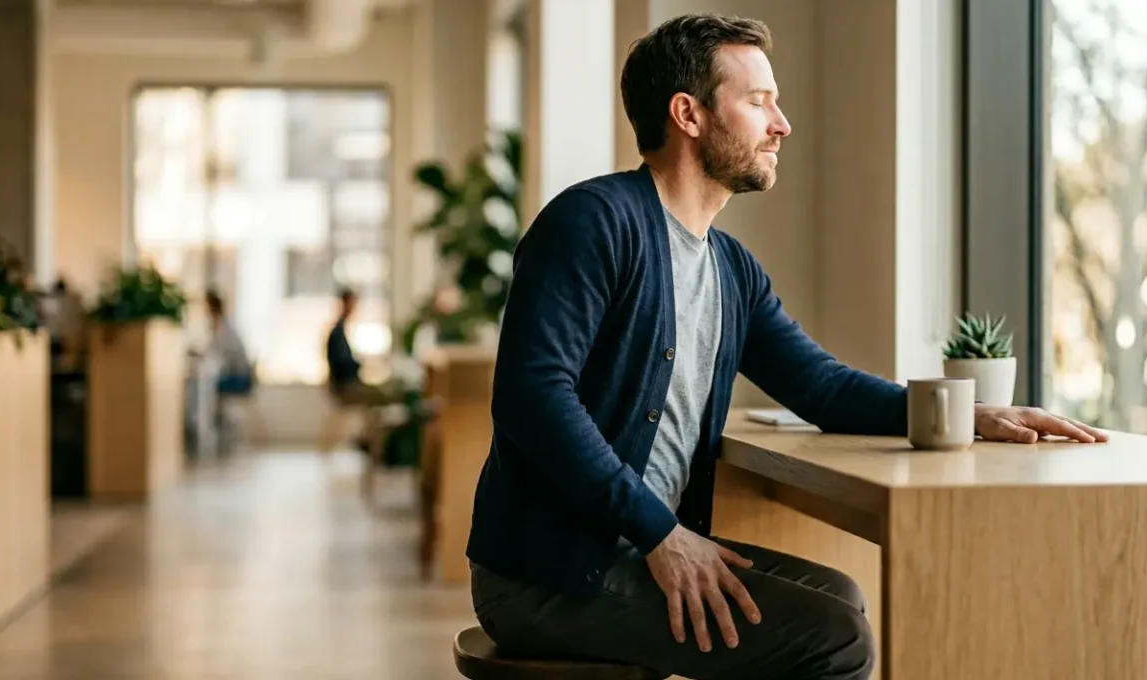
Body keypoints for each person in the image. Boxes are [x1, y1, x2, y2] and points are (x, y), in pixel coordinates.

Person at [465, 13, 1109, 680]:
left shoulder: (731, 270)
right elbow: (532, 399)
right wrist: (661, 533)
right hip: (546, 573)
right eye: (758, 101)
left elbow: (820, 385)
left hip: (628, 548)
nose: (782, 124)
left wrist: (968, 416)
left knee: (842, 598)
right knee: (833, 638)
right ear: (688, 114)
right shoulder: (592, 223)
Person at [205, 290, 253, 395]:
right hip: (236, 374)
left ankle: (210, 411)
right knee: (206, 382)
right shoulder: (219, 327)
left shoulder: (224, 329)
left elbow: (221, 357)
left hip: (240, 378)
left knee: (206, 385)